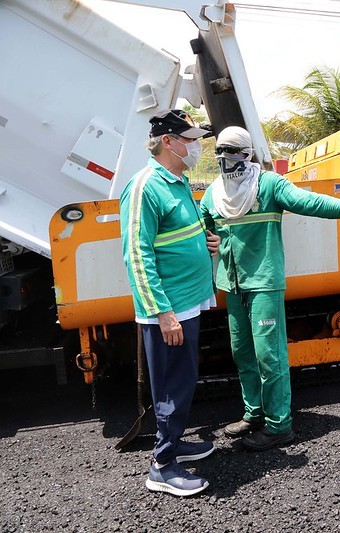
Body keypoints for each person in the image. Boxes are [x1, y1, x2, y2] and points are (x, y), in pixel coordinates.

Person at [199, 127, 340, 452]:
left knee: (269, 354)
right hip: (231, 284)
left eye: (233, 150)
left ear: (247, 153)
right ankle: (254, 413)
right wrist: (206, 240)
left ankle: (279, 426)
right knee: (243, 352)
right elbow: (203, 228)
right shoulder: (213, 193)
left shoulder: (267, 184)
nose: (226, 157)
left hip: (264, 283)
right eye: (221, 150)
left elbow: (308, 201)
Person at [119, 109, 222, 497]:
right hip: (170, 307)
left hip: (189, 301)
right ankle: (162, 466)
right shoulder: (145, 186)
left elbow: (184, 231)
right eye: (190, 140)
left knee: (182, 381)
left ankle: (175, 443)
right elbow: (137, 255)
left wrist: (207, 242)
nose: (196, 147)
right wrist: (162, 312)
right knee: (170, 387)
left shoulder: (177, 181)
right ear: (168, 141)